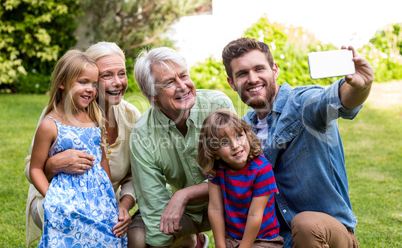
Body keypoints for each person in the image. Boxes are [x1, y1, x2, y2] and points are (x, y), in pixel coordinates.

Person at [222, 37, 374, 248]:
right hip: (278, 241)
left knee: (305, 224)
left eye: (259, 69)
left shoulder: (302, 103)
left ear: (274, 70)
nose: (252, 78)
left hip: (326, 236)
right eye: (242, 73)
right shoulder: (243, 129)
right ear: (231, 82)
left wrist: (360, 87)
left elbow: (337, 101)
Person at [25, 42, 143, 247]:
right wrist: (53, 166)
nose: (117, 82)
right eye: (106, 76)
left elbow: (133, 171)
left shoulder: (124, 115)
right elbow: (32, 166)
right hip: (61, 198)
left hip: (100, 200)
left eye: (122, 73)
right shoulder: (53, 120)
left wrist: (119, 204)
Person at [129, 47, 236, 247]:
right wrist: (163, 240)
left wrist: (184, 194)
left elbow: (239, 173)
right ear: (152, 95)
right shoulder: (142, 134)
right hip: (185, 212)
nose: (182, 86)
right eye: (169, 82)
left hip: (230, 202)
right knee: (139, 238)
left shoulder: (217, 105)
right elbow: (154, 205)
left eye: (184, 76)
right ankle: (191, 241)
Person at [197, 109, 284, 248]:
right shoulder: (218, 169)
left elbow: (255, 215)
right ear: (214, 152)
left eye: (238, 136)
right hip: (231, 237)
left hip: (263, 240)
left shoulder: (261, 170)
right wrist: (220, 245)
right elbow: (215, 208)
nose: (235, 145)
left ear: (247, 135)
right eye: (224, 143)